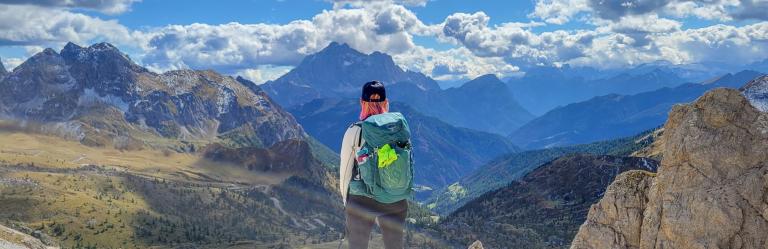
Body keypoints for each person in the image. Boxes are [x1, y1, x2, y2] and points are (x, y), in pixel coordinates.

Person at [339, 81, 414, 249]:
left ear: (362, 103)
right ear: (386, 103)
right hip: (395, 197)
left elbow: (345, 171)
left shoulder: (355, 131)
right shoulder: (399, 129)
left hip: (362, 199)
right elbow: (408, 163)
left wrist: (347, 201)